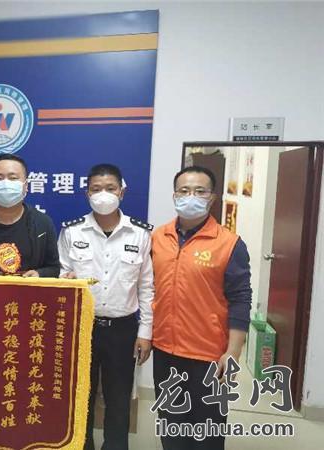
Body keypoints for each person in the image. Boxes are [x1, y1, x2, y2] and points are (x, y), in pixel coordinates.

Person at [151, 166, 252, 450]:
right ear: (174, 195)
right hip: (166, 351)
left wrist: (233, 352)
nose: (190, 196)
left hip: (208, 356)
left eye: (199, 191)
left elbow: (241, 299)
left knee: (207, 434)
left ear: (212, 197)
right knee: (171, 428)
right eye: (184, 191)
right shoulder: (159, 237)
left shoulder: (229, 244)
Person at [58, 163, 154, 450]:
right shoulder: (72, 231)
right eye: (96, 189)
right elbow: (61, 277)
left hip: (123, 330)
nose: (103, 194)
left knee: (119, 399)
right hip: (81, 327)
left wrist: (145, 332)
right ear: (87, 193)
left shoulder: (139, 234)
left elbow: (146, 287)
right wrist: (65, 280)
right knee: (80, 396)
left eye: (110, 188)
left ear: (122, 192)